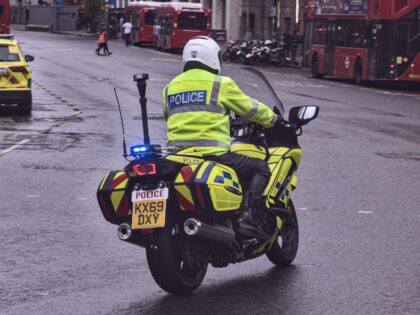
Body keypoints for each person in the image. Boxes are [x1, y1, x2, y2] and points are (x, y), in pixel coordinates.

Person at [162, 36, 279, 239]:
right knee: (260, 167)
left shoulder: (170, 87)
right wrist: (272, 119)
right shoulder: (220, 84)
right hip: (213, 156)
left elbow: (169, 117)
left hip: (177, 158)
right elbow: (250, 108)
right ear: (212, 58)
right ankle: (248, 218)